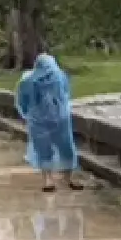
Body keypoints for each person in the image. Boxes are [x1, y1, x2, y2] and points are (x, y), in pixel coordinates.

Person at [15, 52, 85, 192]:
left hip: (40, 119)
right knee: (65, 148)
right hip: (59, 118)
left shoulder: (28, 80)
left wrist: (26, 113)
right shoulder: (59, 77)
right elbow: (66, 95)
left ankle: (49, 180)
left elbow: (22, 101)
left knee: (44, 149)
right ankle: (67, 178)